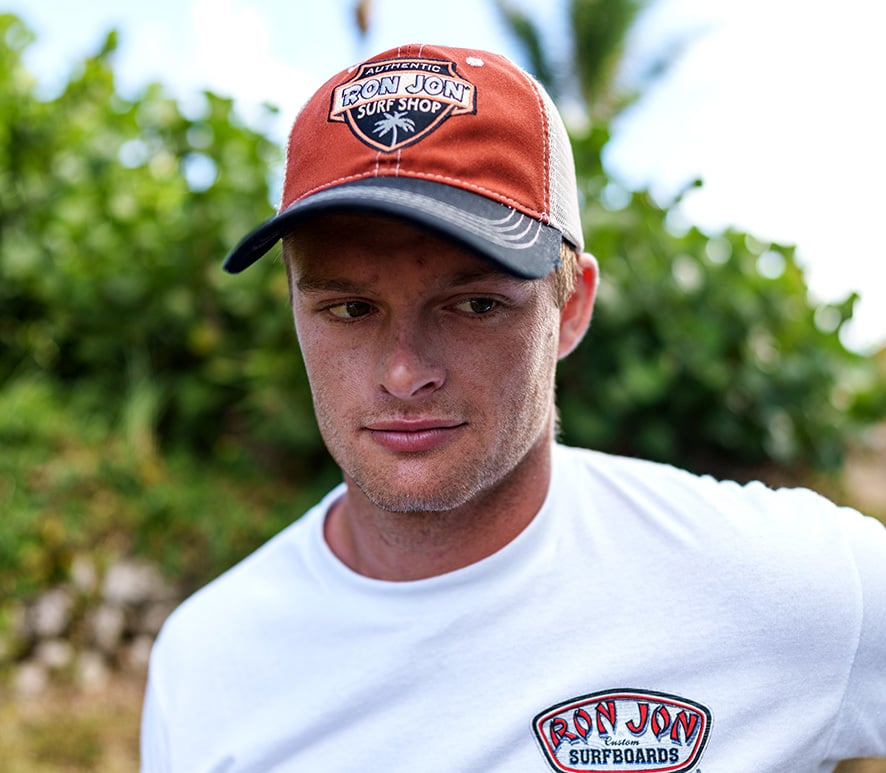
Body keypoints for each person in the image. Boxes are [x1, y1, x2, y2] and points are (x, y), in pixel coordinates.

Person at [140, 43, 886, 773]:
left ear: (571, 307)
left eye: (474, 303)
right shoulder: (206, 661)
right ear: (295, 311)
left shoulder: (789, 588)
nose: (405, 372)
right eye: (350, 308)